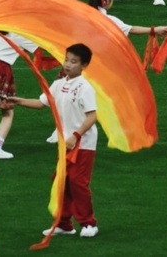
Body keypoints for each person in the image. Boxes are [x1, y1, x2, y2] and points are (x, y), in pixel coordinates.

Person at [13, 43, 101, 238]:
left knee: (78, 182)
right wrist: (18, 101)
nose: (67, 64)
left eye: (73, 61)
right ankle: (64, 224)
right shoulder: (59, 84)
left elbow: (92, 116)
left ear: (84, 65)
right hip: (65, 143)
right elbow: (41, 103)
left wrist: (76, 135)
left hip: (83, 143)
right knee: (63, 181)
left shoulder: (85, 88)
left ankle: (89, 223)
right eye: (66, 60)